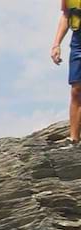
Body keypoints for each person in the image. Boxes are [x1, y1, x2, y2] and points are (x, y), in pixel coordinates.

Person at [52, 1, 81, 143]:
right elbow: (65, 15)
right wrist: (56, 44)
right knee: (76, 90)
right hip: (78, 41)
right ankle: (74, 139)